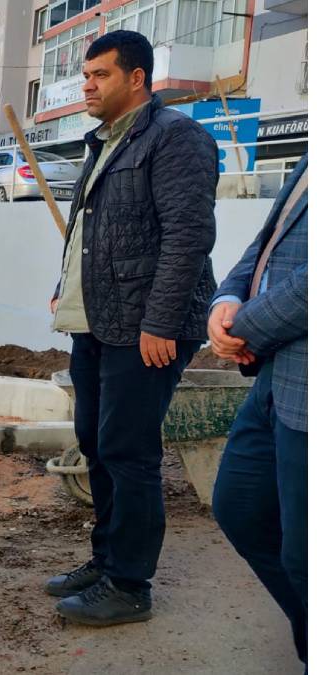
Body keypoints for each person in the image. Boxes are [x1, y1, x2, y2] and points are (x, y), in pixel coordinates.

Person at [45, 31, 218, 626]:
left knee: (129, 452)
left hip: (145, 325)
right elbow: (92, 230)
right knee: (96, 441)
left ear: (136, 78)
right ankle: (106, 560)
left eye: (99, 75)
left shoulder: (176, 139)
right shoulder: (104, 142)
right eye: (85, 75)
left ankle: (130, 584)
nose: (86, 86)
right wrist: (65, 284)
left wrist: (162, 322)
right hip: (96, 319)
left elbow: (188, 237)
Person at [209, 156, 307, 662]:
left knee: (303, 556)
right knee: (240, 510)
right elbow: (265, 245)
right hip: (274, 376)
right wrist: (225, 299)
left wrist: (245, 325)